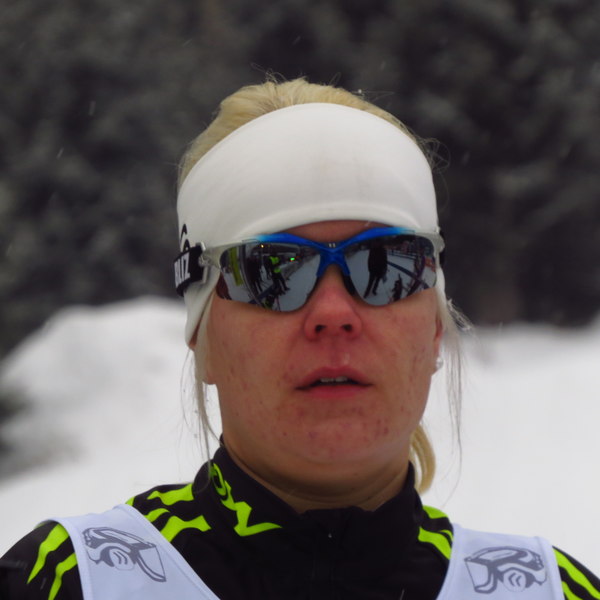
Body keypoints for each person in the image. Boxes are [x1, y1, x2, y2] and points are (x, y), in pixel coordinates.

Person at [1, 78, 598, 599]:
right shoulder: (71, 582)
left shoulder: (547, 590)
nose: (333, 314)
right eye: (272, 272)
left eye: (385, 265)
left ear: (435, 323)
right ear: (202, 335)